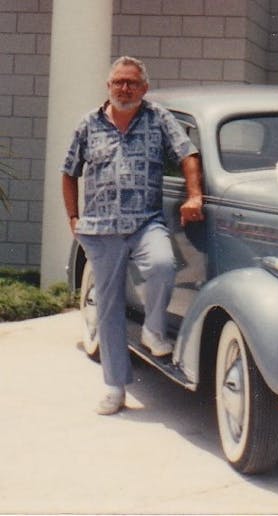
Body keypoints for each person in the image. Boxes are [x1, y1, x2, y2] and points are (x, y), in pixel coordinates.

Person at [61, 56, 204, 415]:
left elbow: (188, 154)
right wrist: (74, 216)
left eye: (132, 83)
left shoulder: (158, 118)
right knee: (108, 309)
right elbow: (68, 171)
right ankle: (115, 387)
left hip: (145, 222)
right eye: (118, 82)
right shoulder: (88, 123)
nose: (125, 89)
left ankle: (153, 330)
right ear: (108, 86)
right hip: (100, 229)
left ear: (145, 88)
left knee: (162, 264)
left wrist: (194, 194)